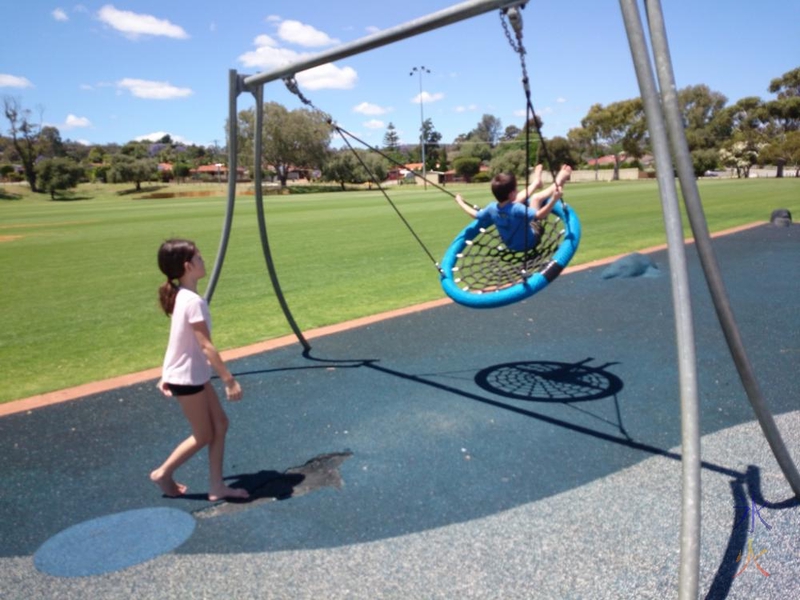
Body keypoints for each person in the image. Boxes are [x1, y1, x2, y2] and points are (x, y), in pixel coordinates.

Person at [150, 238, 249, 501]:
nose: (204, 261)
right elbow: (205, 345)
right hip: (187, 378)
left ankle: (217, 486)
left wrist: (166, 372)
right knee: (203, 434)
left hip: (192, 373)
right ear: (188, 266)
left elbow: (179, 340)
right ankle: (163, 473)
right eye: (200, 258)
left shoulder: (185, 296)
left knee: (220, 423)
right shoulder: (192, 301)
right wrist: (229, 380)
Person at [454, 164, 572, 251]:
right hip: (531, 241)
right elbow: (540, 215)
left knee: (513, 202)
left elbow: (475, 215)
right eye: (516, 188)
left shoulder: (491, 208)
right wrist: (554, 199)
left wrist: (460, 202)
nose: (517, 190)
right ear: (511, 193)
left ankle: (536, 183)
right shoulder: (517, 208)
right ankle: (559, 179)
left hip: (511, 245)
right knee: (536, 198)